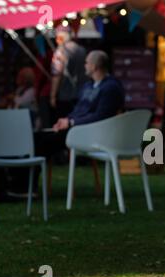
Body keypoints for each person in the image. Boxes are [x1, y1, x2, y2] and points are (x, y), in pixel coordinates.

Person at [9, 50, 125, 196]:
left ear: (95, 66)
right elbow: (77, 111)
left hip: (92, 134)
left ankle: (24, 187)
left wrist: (71, 122)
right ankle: (19, 184)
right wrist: (64, 121)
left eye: (87, 62)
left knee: (42, 142)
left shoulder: (111, 88)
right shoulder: (88, 86)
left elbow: (101, 116)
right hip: (76, 129)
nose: (84, 65)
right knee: (35, 137)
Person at [50, 26, 87, 123]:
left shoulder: (60, 52)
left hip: (65, 95)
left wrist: (52, 96)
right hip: (82, 93)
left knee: (64, 123)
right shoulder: (82, 50)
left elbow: (56, 74)